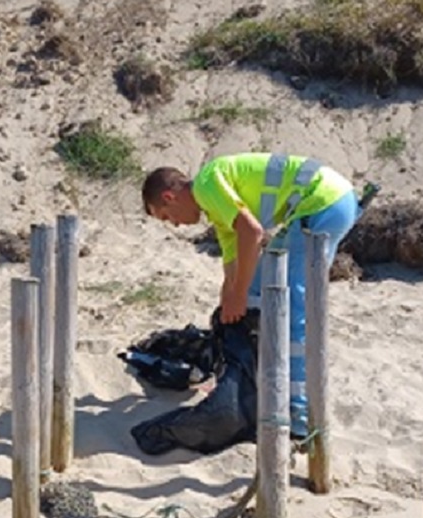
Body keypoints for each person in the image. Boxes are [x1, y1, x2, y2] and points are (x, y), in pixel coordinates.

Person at [143, 152, 359, 438]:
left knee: (291, 303)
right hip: (325, 202)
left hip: (323, 202)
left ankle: (298, 412)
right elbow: (233, 269)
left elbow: (252, 232)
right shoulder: (218, 213)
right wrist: (227, 305)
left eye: (167, 217)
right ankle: (262, 382)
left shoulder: (208, 184)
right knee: (262, 283)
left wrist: (239, 295)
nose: (175, 224)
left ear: (170, 197)